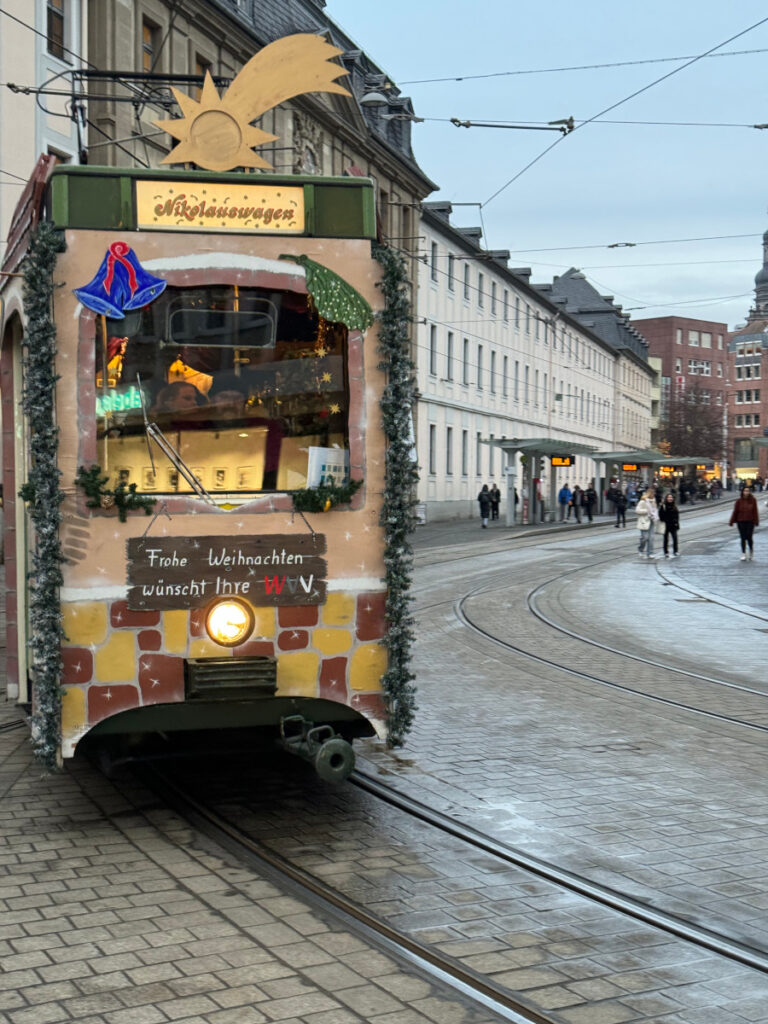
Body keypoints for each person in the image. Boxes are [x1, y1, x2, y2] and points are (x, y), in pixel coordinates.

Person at [729, 484, 759, 560]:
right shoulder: (739, 501)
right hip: (741, 521)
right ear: (742, 492)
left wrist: (756, 521)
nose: (746, 492)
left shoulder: (753, 500)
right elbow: (735, 511)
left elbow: (755, 511)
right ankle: (743, 553)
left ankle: (751, 551)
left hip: (750, 521)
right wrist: (732, 521)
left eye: (748, 491)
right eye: (745, 491)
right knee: (743, 538)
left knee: (749, 536)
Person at [636, 486, 659, 559]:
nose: (653, 495)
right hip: (644, 521)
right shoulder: (643, 501)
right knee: (644, 537)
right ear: (649, 494)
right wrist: (647, 511)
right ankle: (640, 549)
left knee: (651, 538)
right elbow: (637, 510)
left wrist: (655, 515)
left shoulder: (654, 501)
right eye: (652, 493)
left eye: (654, 493)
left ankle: (650, 553)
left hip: (651, 520)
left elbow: (655, 510)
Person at [659, 492, 680, 558]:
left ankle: (675, 551)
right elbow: (660, 514)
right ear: (666, 498)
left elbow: (677, 515)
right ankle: (666, 552)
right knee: (666, 539)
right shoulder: (663, 506)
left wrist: (677, 523)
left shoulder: (674, 506)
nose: (670, 498)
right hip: (666, 525)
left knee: (675, 538)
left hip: (673, 524)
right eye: (668, 497)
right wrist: (664, 520)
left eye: (671, 497)